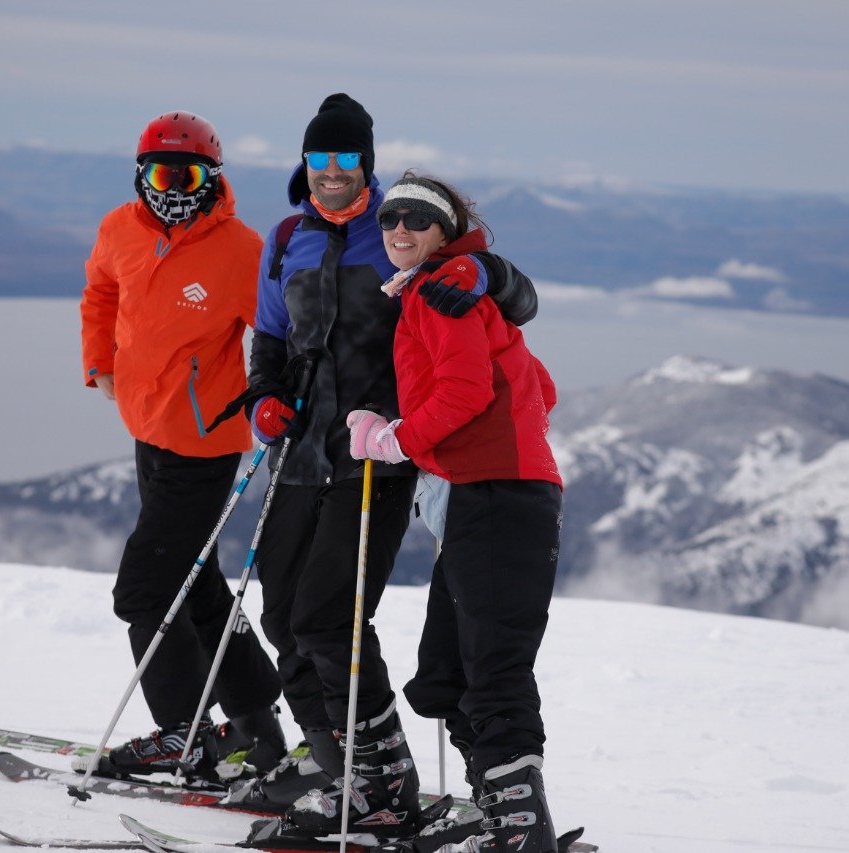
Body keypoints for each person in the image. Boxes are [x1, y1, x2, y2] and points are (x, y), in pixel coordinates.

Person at [237, 94, 539, 836]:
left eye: (346, 157)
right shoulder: (287, 237)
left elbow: (507, 294)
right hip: (300, 453)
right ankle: (334, 760)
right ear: (304, 162)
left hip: (379, 458)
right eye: (320, 156)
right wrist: (263, 399)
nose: (332, 169)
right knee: (284, 615)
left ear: (366, 163)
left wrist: (486, 272)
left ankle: (379, 780)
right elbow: (269, 337)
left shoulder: (398, 231)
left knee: (329, 615)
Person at [346, 173, 563, 853]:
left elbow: (467, 390)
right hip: (487, 493)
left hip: (497, 495)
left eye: (417, 218)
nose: (399, 229)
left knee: (491, 668)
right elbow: (540, 386)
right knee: (447, 673)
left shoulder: (440, 292)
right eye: (390, 218)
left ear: (444, 231)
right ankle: (495, 814)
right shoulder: (452, 290)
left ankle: (518, 830)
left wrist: (397, 439)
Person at [78, 110, 286, 783]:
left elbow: (277, 334)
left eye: (188, 176)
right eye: (162, 175)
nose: (173, 189)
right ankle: (257, 723)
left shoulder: (241, 249)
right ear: (140, 175)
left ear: (213, 179)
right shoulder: (120, 227)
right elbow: (100, 291)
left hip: (204, 444)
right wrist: (100, 364)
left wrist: (279, 396)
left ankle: (184, 735)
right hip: (147, 430)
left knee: (147, 589)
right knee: (195, 582)